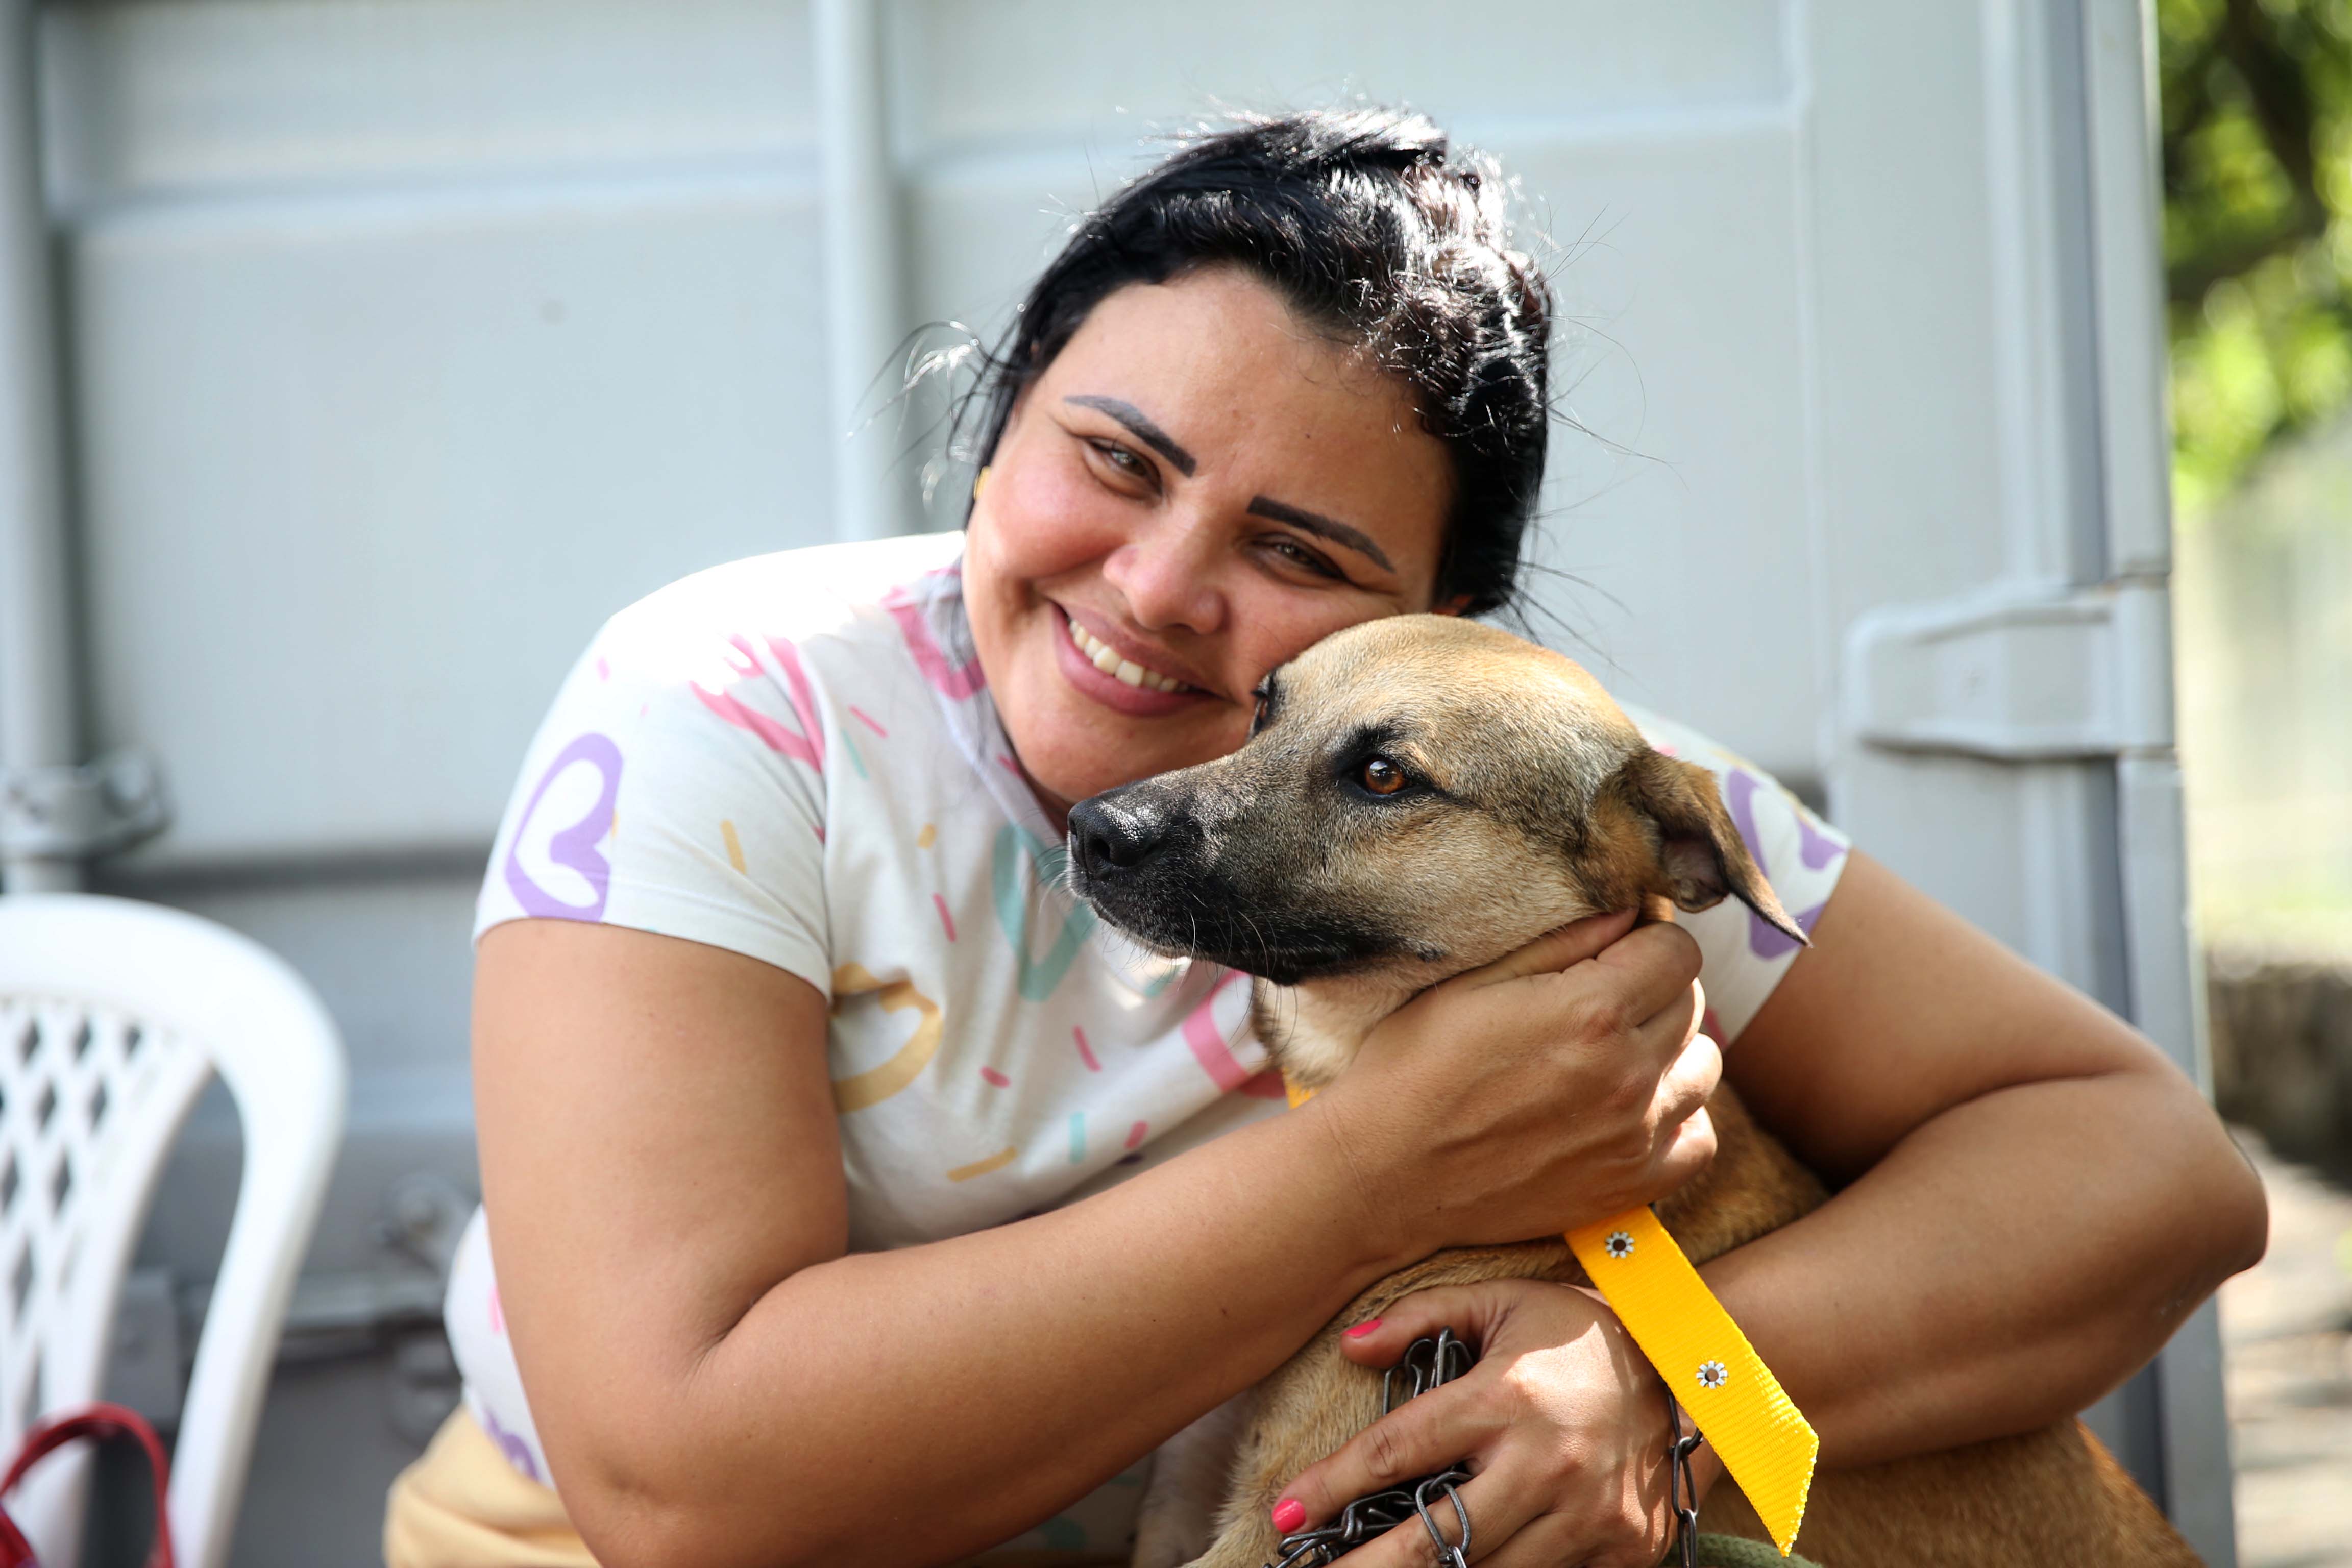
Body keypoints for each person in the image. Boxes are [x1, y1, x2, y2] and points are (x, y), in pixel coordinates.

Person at [382, 109, 2266, 1568]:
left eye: (1301, 556)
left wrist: (1664, 1381)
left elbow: (2152, 1176)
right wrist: (1382, 1169)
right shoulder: (723, 711)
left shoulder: (1544, 783)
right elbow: (680, 1498)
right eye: (1112, 458)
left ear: (1447, 622)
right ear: (998, 416)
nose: (1157, 590)